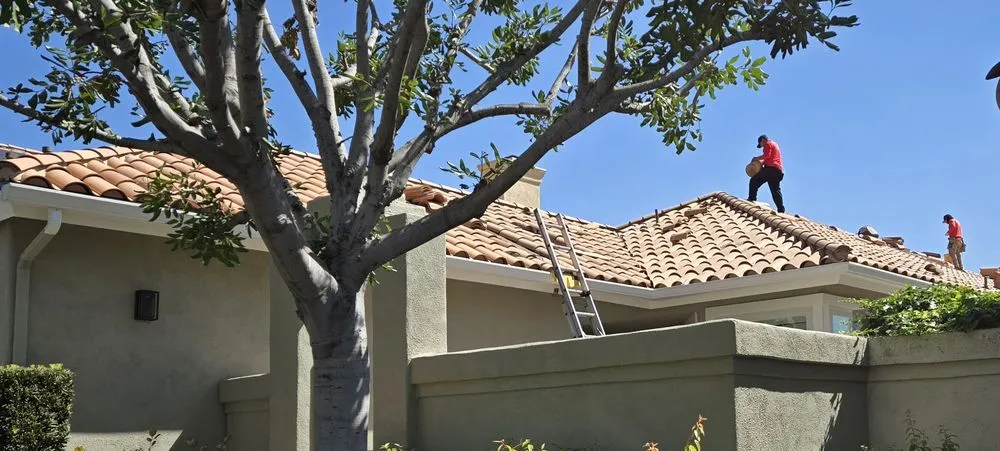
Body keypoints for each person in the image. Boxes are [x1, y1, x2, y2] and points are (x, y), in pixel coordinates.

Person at [748, 134, 785, 213]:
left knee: (754, 180)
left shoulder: (767, 144)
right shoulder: (774, 144)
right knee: (775, 190)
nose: (762, 147)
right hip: (778, 171)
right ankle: (781, 209)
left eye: (761, 144)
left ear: (762, 140)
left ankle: (751, 199)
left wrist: (756, 158)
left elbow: (767, 155)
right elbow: (769, 157)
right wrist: (761, 163)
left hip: (771, 169)